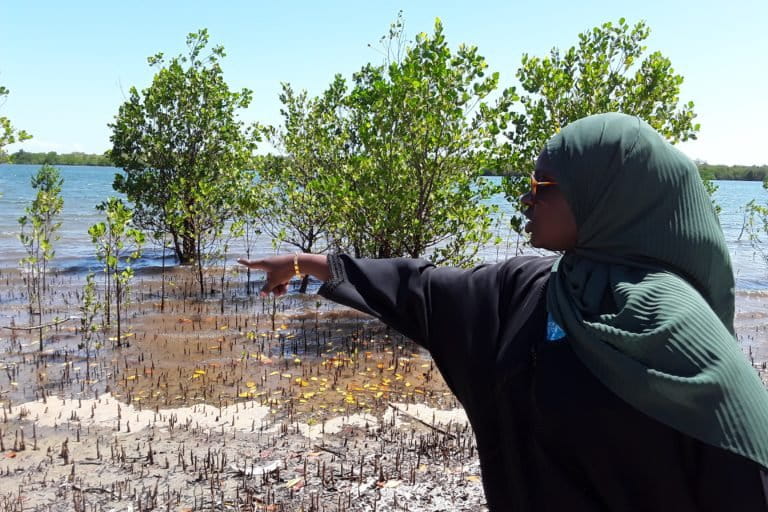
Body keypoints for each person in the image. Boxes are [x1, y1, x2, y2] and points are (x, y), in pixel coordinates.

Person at [238, 113, 768, 511]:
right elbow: (420, 289)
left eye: (541, 187)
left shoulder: (682, 331)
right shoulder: (530, 287)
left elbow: (741, 454)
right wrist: (304, 263)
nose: (525, 200)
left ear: (605, 198)